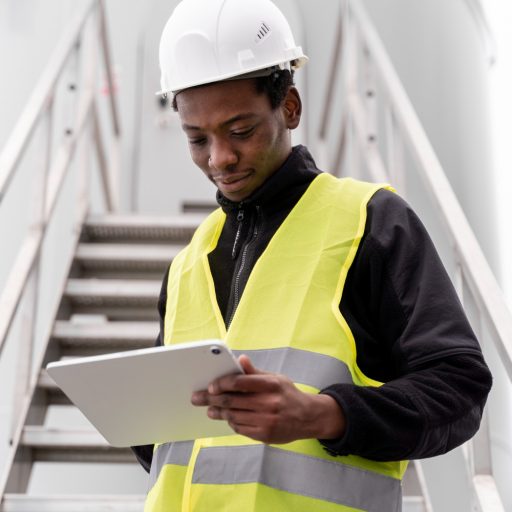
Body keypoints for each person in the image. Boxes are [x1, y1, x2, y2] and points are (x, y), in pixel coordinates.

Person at [132, 0, 492, 510]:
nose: (219, 159)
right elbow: (167, 448)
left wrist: (327, 415)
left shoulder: (370, 221)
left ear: (290, 107)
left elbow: (460, 389)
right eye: (197, 139)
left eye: (241, 131)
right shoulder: (189, 261)